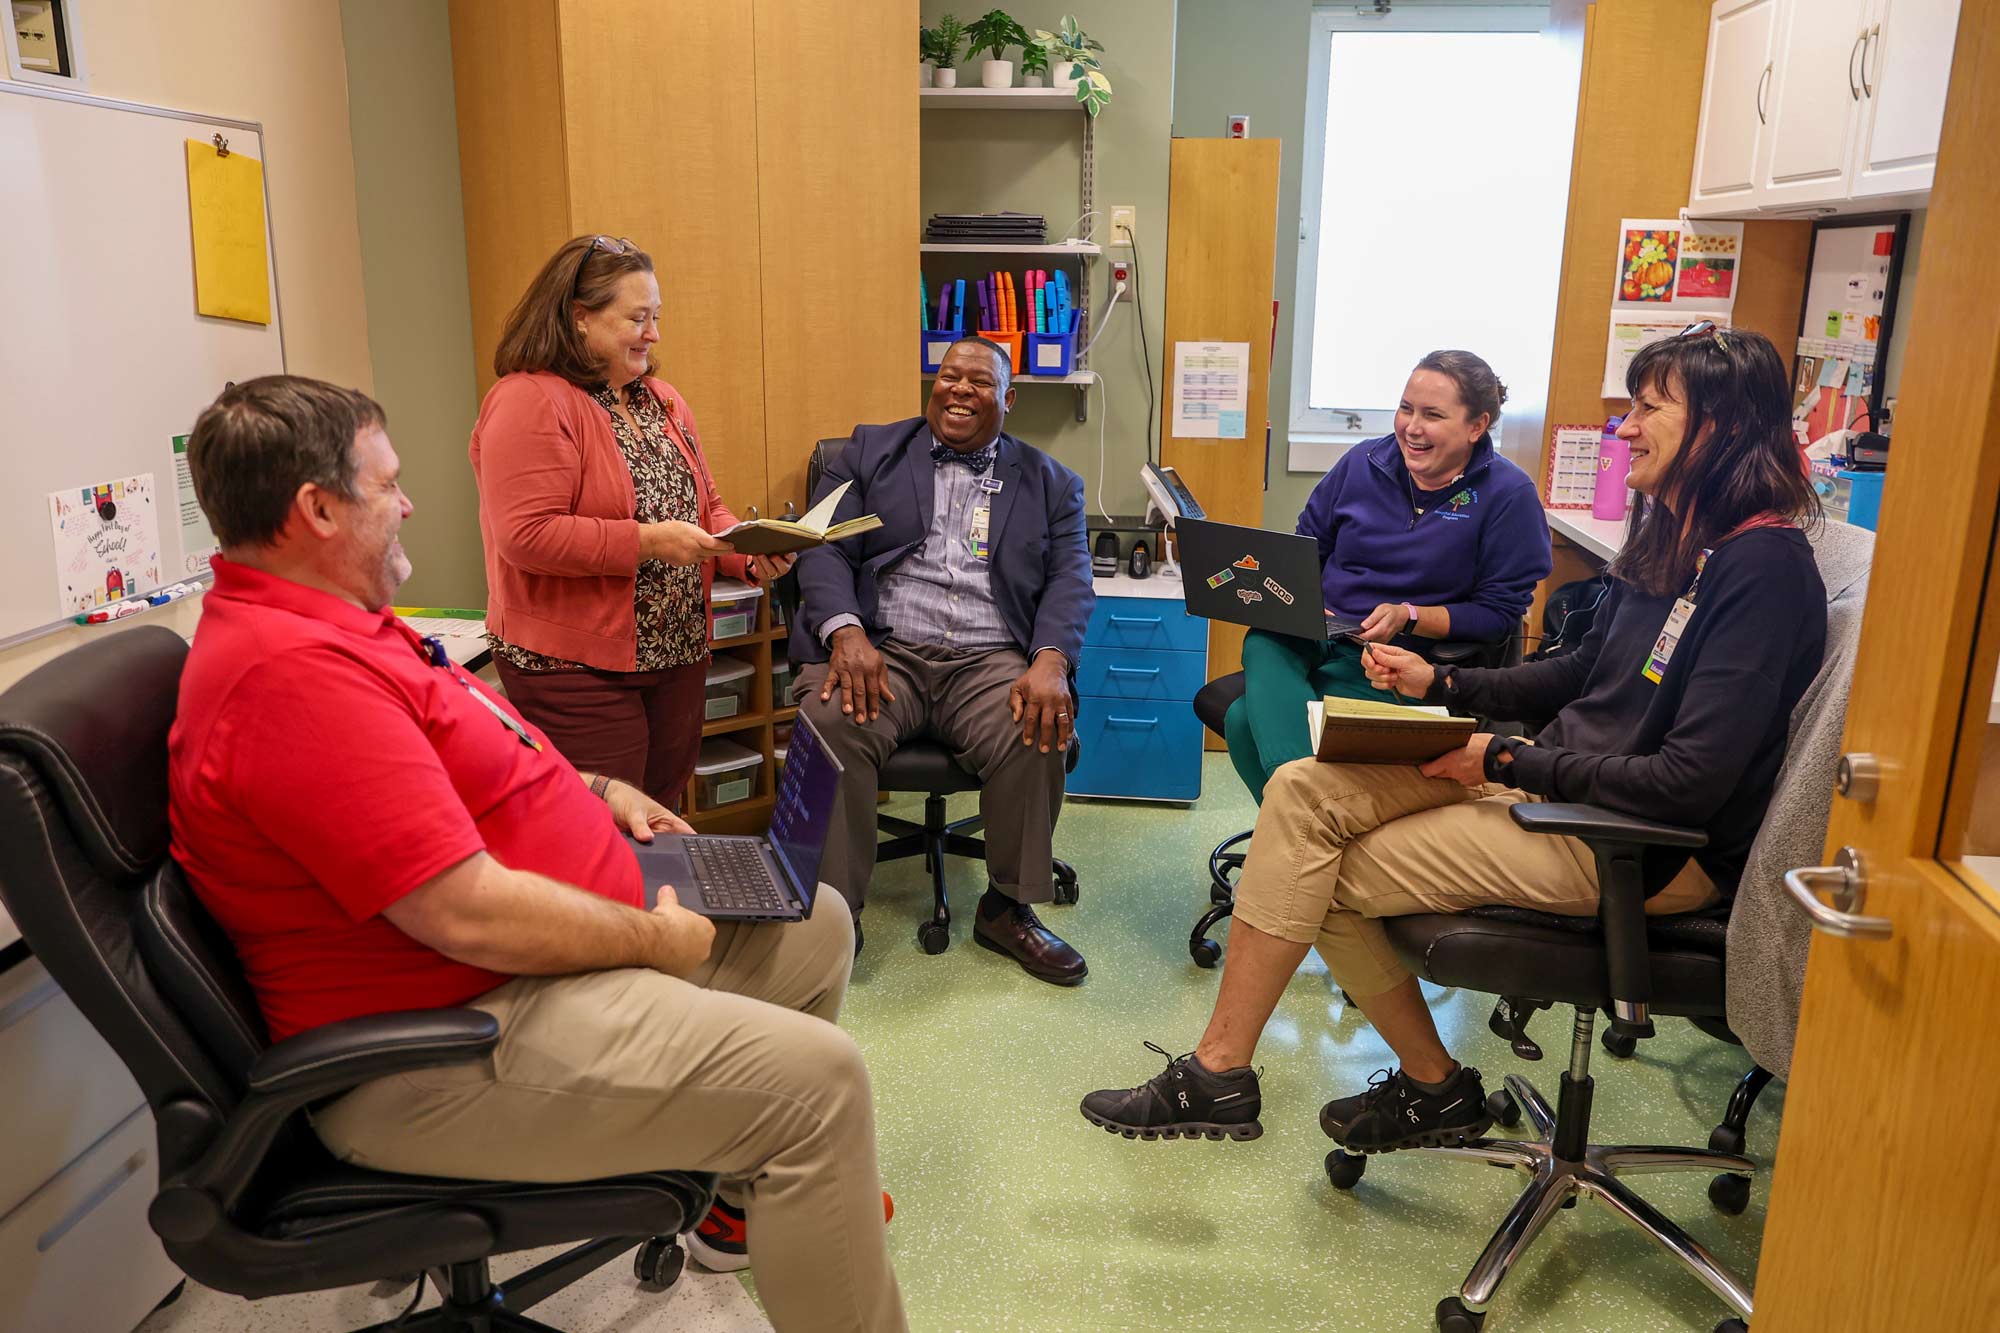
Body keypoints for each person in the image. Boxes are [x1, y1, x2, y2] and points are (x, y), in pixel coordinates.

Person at [169, 377, 904, 1333]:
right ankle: (778, 1157)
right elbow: (462, 911)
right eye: (388, 484)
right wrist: (649, 937)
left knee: (814, 923)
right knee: (819, 1084)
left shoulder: (334, 622)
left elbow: (465, 769)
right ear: (314, 509)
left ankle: (732, 1210)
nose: (409, 502)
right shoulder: (292, 677)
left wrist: (598, 795)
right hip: (448, 1034)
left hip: (508, 967)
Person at [1082, 325, 1824, 1155]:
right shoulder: (1681, 544)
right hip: (1561, 787)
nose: (1625, 428)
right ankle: (1352, 1081)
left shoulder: (1760, 572)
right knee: (1299, 795)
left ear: (1719, 427)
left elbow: (1684, 781)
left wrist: (1501, 757)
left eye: (1649, 408)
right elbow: (1577, 672)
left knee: (1308, 864)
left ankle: (1263, 1074)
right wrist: (1443, 685)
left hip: (1634, 844)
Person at [791, 336, 1095, 981]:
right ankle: (833, 918)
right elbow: (820, 550)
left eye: (979, 382)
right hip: (885, 649)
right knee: (831, 721)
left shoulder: (1051, 483)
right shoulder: (868, 452)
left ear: (1009, 399)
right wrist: (845, 633)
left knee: (1036, 726)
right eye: (948, 376)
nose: (958, 389)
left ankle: (1008, 907)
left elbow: (1071, 579)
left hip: (989, 658)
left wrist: (1049, 660)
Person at [469, 234, 793, 809]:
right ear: (578, 320)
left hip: (677, 653)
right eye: (637, 318)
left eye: (657, 316)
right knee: (605, 828)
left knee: (659, 818)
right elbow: (528, 536)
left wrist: (746, 551)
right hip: (574, 668)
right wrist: (649, 542)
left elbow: (706, 507)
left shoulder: (660, 400)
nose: (654, 333)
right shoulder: (528, 400)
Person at [1225, 351, 1550, 801]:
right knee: (1264, 636)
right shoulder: (1362, 462)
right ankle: (1304, 811)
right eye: (1406, 408)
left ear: (1477, 426)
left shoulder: (1508, 495)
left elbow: (1498, 615)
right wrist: (1297, 595)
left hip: (1394, 659)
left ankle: (1296, 819)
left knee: (1243, 719)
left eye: (1432, 415)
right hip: (1323, 629)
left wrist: (1409, 615)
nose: (1412, 427)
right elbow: (1308, 545)